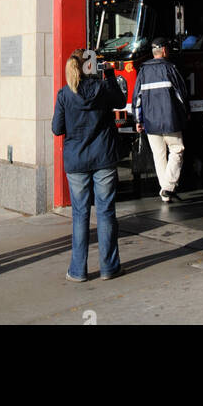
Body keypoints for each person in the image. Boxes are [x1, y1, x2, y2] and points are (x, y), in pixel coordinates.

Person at [51, 49, 127, 282]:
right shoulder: (102, 89)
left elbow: (57, 129)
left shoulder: (64, 94)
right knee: (105, 212)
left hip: (76, 161)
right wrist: (111, 73)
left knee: (80, 214)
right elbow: (121, 101)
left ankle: (78, 270)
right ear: (90, 67)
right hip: (103, 156)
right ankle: (108, 268)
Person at [133, 37, 190, 202]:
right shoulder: (170, 68)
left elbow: (137, 98)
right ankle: (168, 187)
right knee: (177, 150)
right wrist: (186, 112)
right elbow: (181, 94)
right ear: (164, 50)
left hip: (150, 122)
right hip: (170, 119)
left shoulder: (143, 71)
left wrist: (138, 120)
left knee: (159, 156)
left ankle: (165, 193)